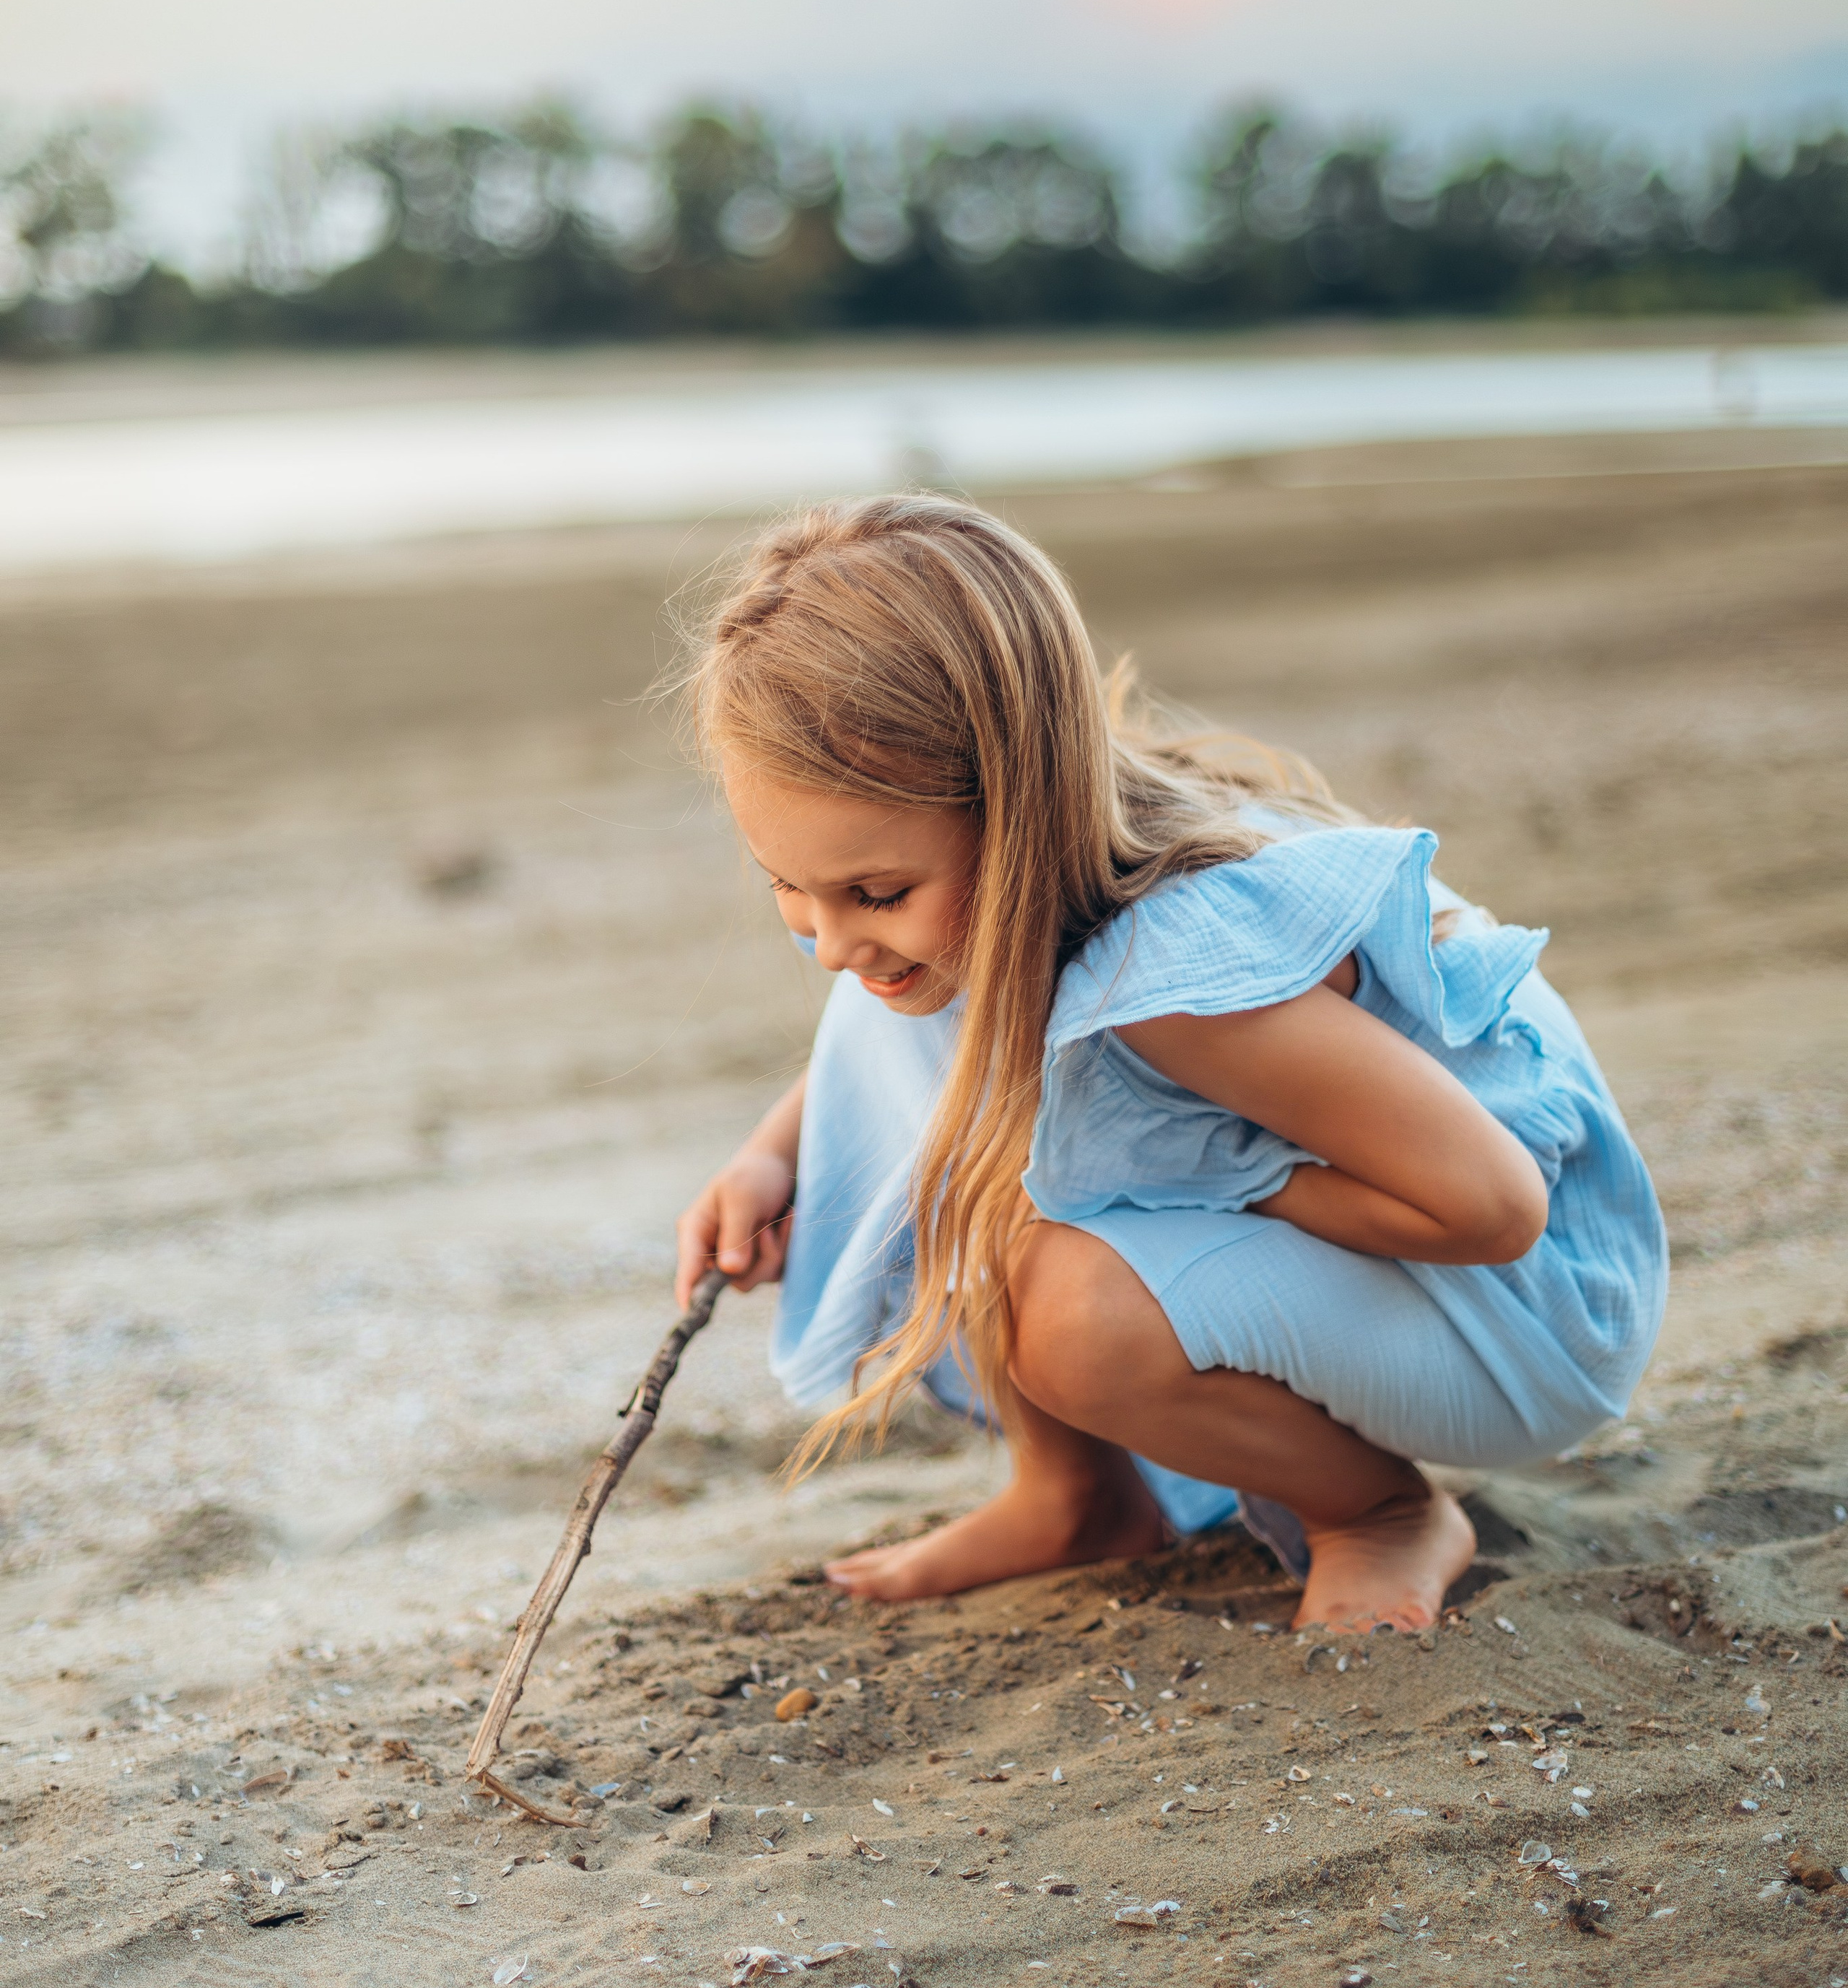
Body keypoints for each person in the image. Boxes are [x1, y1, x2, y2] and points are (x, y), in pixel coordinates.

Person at [671, 495, 1666, 1634]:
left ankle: (1379, 1512)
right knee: (989, 1145)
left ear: (1017, 806)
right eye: (788, 887)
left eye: (875, 893)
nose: (832, 943)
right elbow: (906, 1055)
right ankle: (1080, 1496)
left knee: (1069, 1291)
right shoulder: (1002, 887)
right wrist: (774, 1158)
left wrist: (1227, 1177)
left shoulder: (1183, 989)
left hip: (1524, 1316)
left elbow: (1495, 1208)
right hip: (1422, 1256)